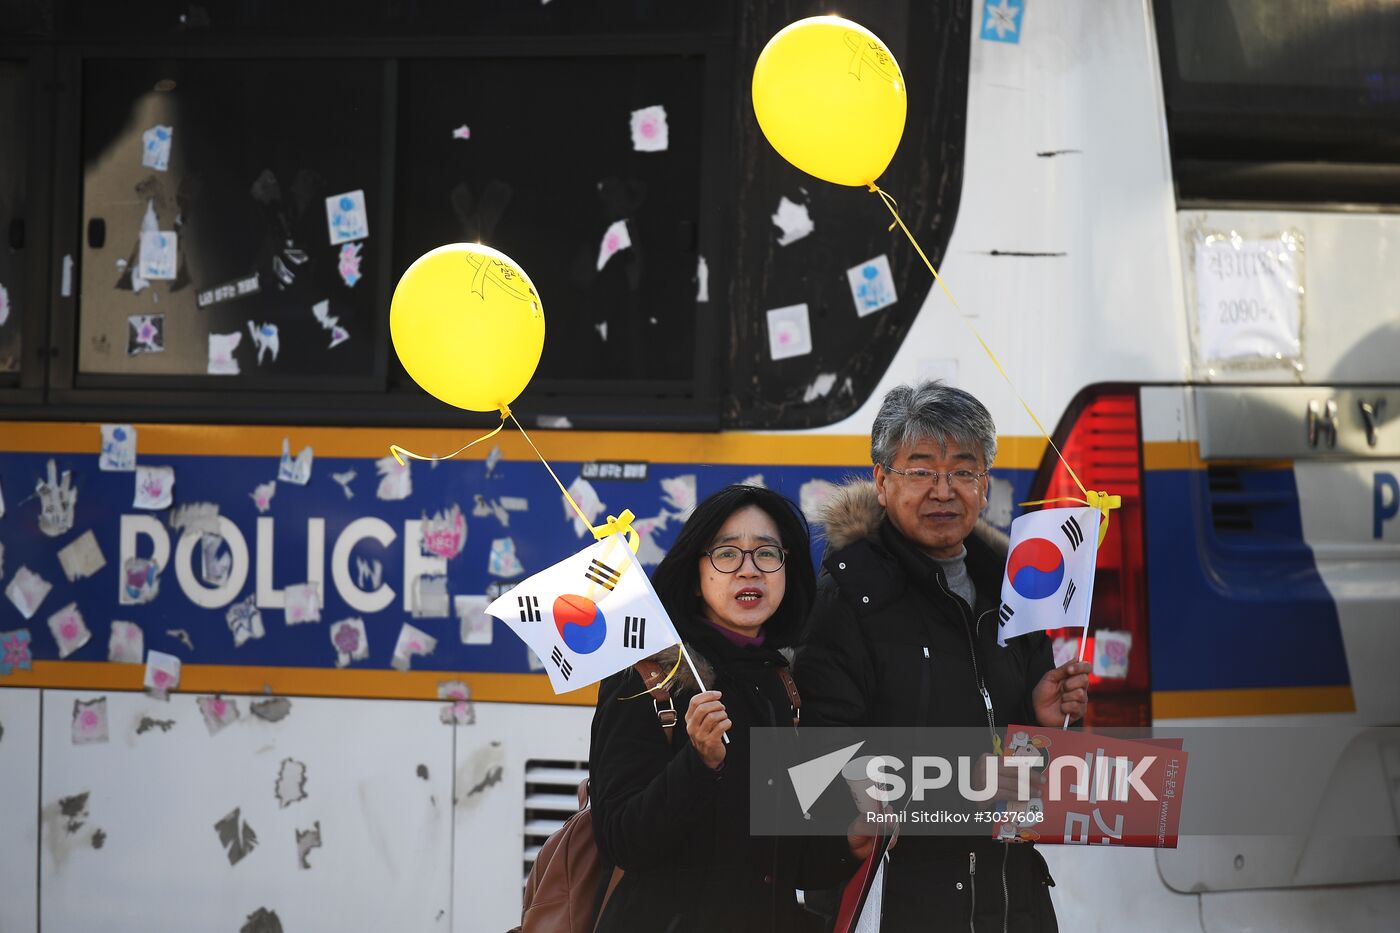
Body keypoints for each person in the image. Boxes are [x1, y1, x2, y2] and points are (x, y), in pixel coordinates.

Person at [795, 381, 1091, 932]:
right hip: (904, 902)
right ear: (882, 482)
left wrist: (1046, 722)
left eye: (962, 470)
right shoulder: (850, 595)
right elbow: (816, 769)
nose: (943, 489)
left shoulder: (1013, 590)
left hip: (1012, 901)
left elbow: (1028, 791)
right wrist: (961, 782)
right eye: (921, 470)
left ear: (985, 487)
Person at [588, 484, 834, 933]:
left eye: (766, 554)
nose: (749, 571)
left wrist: (851, 842)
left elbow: (792, 865)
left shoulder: (784, 684)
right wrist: (698, 764)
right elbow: (622, 842)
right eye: (727, 554)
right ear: (696, 573)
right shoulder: (650, 680)